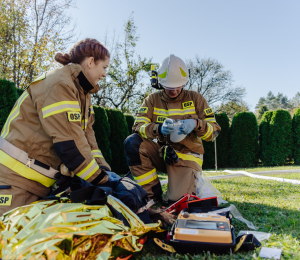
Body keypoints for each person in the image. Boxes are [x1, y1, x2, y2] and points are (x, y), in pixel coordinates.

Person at [0, 38, 111, 215]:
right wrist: (100, 179)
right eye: (104, 67)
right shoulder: (60, 83)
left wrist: (103, 169)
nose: (105, 74)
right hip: (15, 181)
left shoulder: (83, 94)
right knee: (9, 239)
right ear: (91, 62)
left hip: (38, 184)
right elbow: (69, 145)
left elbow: (88, 139)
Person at [124, 54, 221, 204]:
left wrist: (196, 124)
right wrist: (159, 128)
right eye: (169, 87)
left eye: (177, 87)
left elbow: (214, 131)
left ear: (185, 81)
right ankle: (151, 196)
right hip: (163, 153)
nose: (173, 91)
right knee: (133, 143)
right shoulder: (152, 100)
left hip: (188, 157)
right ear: (160, 82)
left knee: (177, 202)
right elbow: (137, 127)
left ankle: (181, 189)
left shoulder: (196, 99)